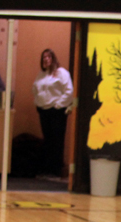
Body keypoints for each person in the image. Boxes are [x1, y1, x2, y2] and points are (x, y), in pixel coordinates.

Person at [32, 49, 73, 179]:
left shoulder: (62, 73)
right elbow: (35, 90)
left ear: (53, 58)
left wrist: (58, 106)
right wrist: (38, 104)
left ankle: (56, 170)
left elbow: (69, 91)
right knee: (48, 140)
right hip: (44, 110)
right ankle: (47, 169)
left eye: (49, 57)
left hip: (57, 111)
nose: (46, 59)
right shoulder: (41, 74)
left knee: (57, 141)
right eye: (44, 57)